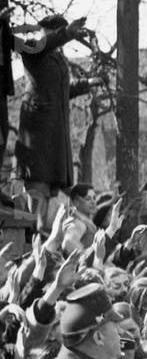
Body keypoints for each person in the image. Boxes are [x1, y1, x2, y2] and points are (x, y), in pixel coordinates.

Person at [15, 14, 101, 234]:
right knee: (37, 189)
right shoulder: (32, 49)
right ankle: (28, 238)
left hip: (54, 136)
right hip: (37, 134)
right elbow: (47, 44)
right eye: (58, 35)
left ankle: (37, 235)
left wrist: (88, 84)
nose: (62, 41)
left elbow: (63, 91)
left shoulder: (57, 58)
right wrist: (68, 33)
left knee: (46, 191)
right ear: (49, 32)